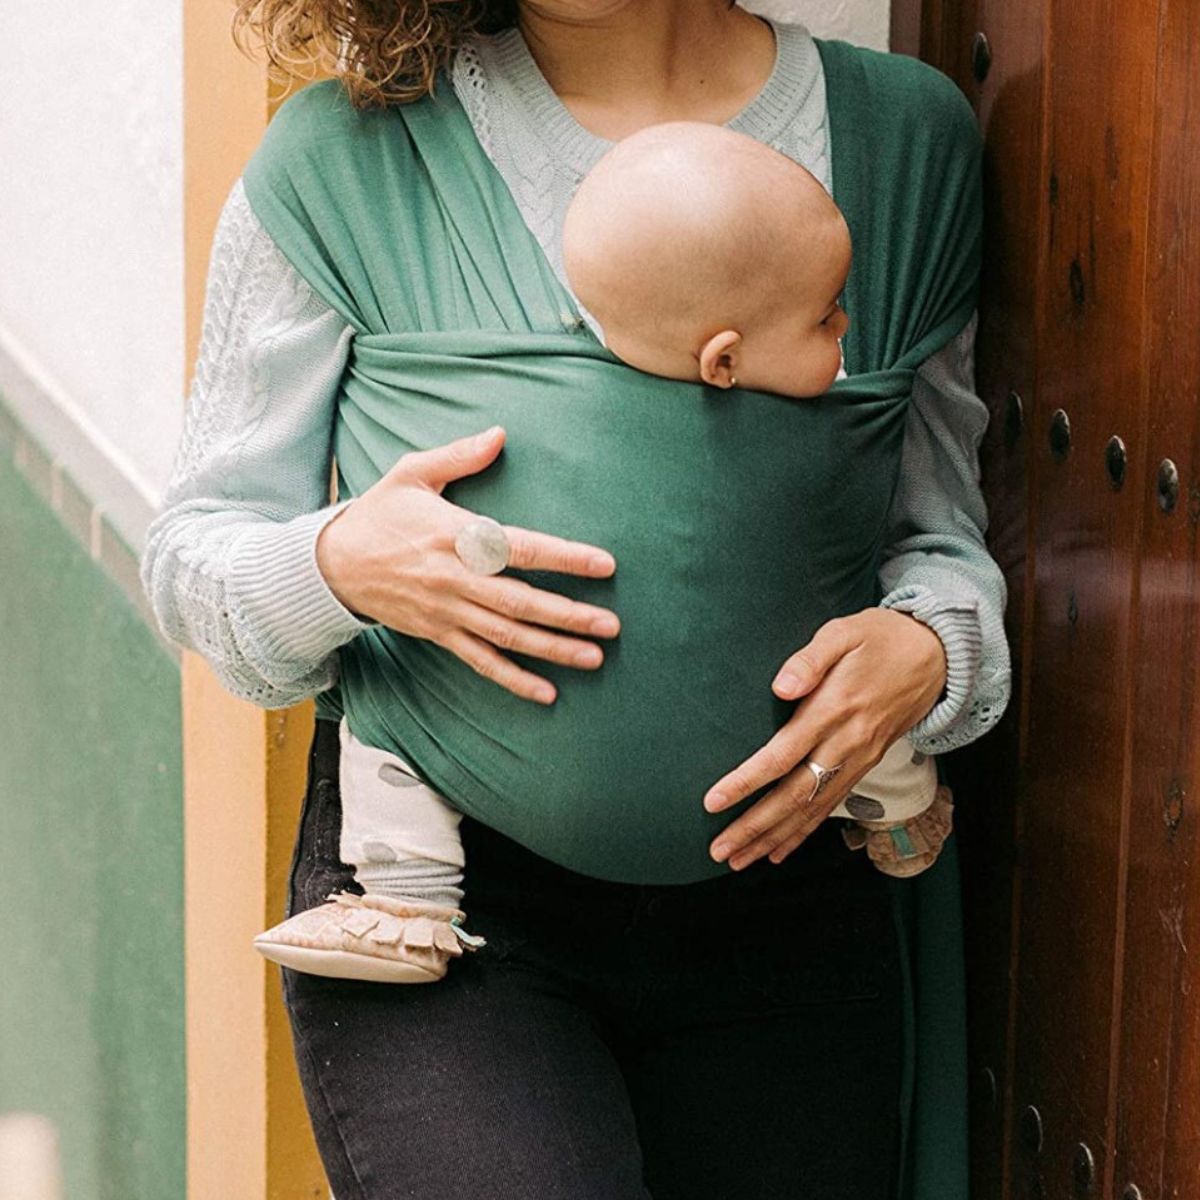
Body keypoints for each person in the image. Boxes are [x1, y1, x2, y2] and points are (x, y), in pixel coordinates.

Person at [141, 3, 1010, 1197]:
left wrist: (934, 651)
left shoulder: (903, 145)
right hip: (439, 912)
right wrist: (341, 561)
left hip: (789, 896)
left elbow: (938, 527)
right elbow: (195, 554)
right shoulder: (344, 158)